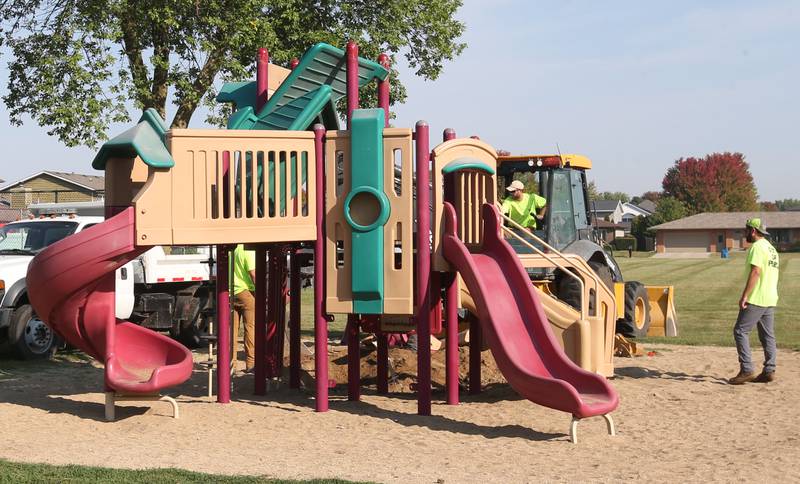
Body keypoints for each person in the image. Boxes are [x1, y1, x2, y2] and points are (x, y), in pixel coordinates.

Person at [728, 218, 779, 385]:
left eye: (746, 230)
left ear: (753, 231)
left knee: (740, 331)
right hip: (770, 297)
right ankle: (769, 370)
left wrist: (745, 295)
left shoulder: (757, 247)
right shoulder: (772, 249)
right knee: (767, 335)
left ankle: (747, 369)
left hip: (756, 297)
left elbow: (756, 272)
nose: (745, 233)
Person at [231, 244, 257, 372]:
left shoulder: (231, 250)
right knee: (250, 328)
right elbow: (253, 274)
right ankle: (250, 363)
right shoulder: (248, 250)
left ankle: (232, 364)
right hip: (246, 293)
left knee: (231, 332)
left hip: (231, 293)